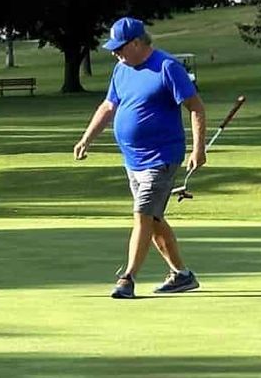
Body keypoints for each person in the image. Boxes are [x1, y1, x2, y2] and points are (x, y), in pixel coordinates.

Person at [73, 17, 206, 299]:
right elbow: (109, 106)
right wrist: (87, 138)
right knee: (154, 219)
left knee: (143, 215)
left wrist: (198, 149)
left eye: (119, 47)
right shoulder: (121, 69)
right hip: (132, 160)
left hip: (162, 157)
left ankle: (127, 278)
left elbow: (195, 108)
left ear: (136, 43)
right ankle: (182, 275)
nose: (114, 53)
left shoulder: (167, 67)